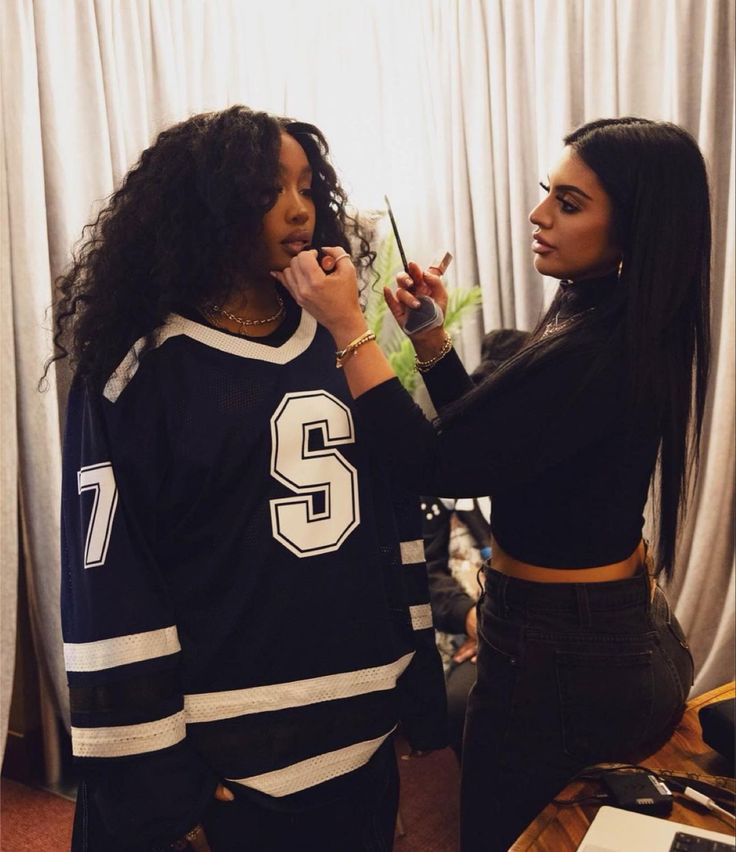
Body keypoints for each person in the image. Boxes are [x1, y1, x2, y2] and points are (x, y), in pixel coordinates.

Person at [272, 117, 711, 851]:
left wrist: (347, 326)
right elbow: (495, 448)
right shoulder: (608, 313)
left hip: (567, 654)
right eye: (547, 194)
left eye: (570, 205)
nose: (539, 216)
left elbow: (433, 465)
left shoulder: (598, 345)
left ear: (635, 226)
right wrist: (430, 341)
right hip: (596, 630)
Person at [50, 105, 447, 852]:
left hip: (359, 736)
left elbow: (394, 523)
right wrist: (162, 787)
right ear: (207, 202)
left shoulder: (339, 339)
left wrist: (409, 694)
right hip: (227, 755)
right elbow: (112, 582)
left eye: (306, 187)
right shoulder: (139, 366)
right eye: (268, 188)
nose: (298, 210)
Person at [422, 329, 528, 760]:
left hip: (540, 628)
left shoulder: (541, 468)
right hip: (471, 629)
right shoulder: (442, 480)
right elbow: (426, 576)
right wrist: (474, 620)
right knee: (463, 706)